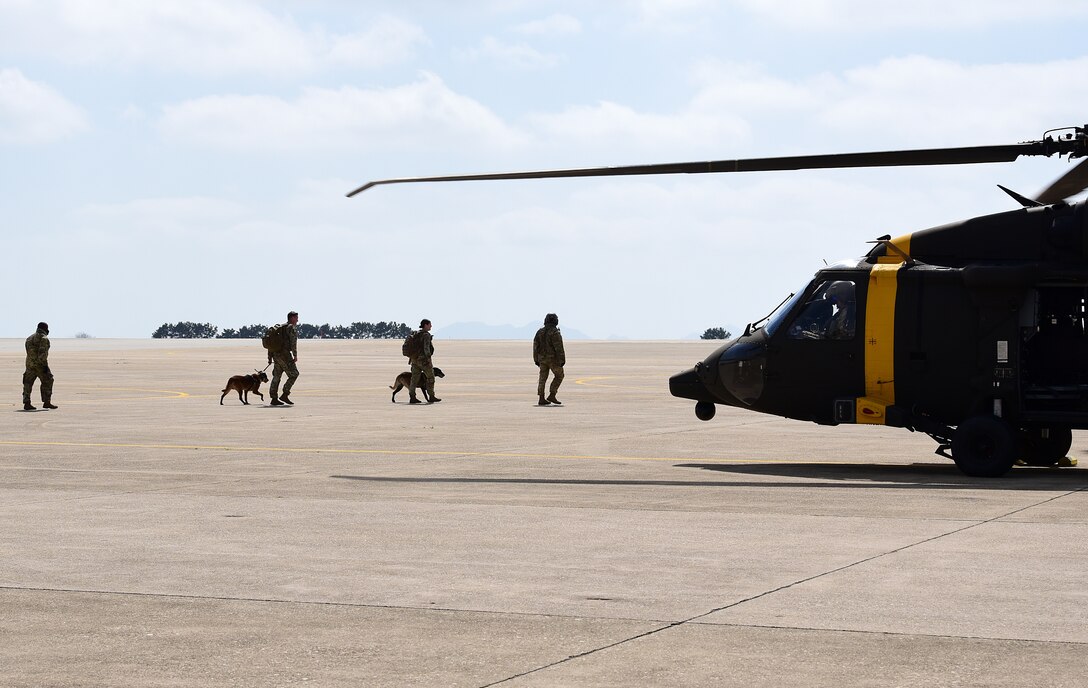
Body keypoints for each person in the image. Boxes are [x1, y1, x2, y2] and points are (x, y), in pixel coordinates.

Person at [23, 321, 57, 411]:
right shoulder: (44, 338)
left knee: (27, 383)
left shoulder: (29, 338)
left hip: (29, 364)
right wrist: (45, 366)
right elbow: (43, 353)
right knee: (48, 380)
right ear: (45, 328)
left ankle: (26, 402)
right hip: (40, 365)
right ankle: (47, 402)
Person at [269, 310, 300, 406]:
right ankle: (285, 394)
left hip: (276, 355)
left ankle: (274, 398)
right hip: (285, 355)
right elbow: (293, 342)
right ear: (292, 318)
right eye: (296, 317)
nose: (297, 320)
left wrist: (269, 357)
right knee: (294, 374)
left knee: (276, 376)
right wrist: (295, 355)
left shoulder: (280, 328)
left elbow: (271, 343)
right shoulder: (291, 328)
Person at [533, 313, 565, 405]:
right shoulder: (555, 332)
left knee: (542, 378)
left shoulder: (540, 332)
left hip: (542, 359)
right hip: (553, 360)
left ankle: (541, 398)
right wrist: (562, 360)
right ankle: (552, 394)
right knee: (559, 375)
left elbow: (535, 346)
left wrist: (536, 359)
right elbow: (559, 347)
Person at [409, 319, 441, 404]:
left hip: (414, 360)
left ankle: (412, 397)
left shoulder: (416, 334)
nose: (431, 326)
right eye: (430, 324)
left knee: (414, 379)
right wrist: (429, 359)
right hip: (423, 361)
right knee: (431, 378)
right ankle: (431, 396)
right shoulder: (426, 335)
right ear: (425, 325)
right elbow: (426, 348)